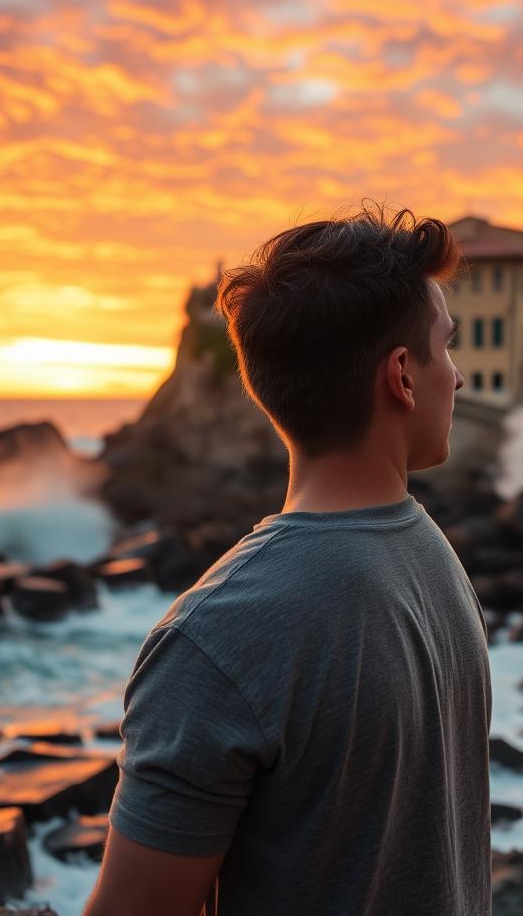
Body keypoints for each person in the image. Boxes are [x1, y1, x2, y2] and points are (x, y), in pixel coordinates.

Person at [84, 202, 493, 916]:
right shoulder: (429, 554)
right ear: (401, 375)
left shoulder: (217, 636)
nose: (456, 378)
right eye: (446, 348)